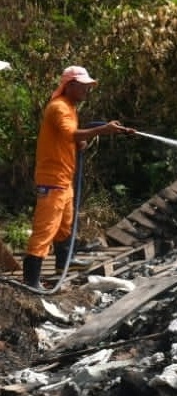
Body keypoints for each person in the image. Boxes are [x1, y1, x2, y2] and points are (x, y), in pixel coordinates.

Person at [23, 65, 131, 290]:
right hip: (52, 179)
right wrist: (101, 130)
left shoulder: (70, 107)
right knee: (46, 229)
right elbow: (71, 133)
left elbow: (69, 137)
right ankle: (31, 280)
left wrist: (80, 141)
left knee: (65, 226)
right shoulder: (59, 107)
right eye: (83, 86)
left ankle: (66, 262)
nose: (87, 91)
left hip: (63, 179)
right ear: (69, 85)